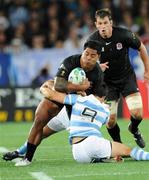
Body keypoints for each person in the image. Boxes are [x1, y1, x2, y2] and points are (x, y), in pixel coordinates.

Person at [3, 40, 105, 166]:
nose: (88, 58)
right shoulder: (71, 61)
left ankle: (102, 153)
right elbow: (58, 84)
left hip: (76, 112)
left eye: (92, 55)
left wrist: (86, 98)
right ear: (82, 52)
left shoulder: (98, 74)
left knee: (80, 152)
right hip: (61, 101)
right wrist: (79, 87)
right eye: (86, 54)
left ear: (98, 57)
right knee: (40, 121)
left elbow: (98, 99)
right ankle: (25, 157)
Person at [39, 81, 149, 163]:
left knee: (107, 149)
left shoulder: (78, 99)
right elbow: (105, 121)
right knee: (128, 151)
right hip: (93, 143)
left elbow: (50, 94)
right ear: (104, 97)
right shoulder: (105, 110)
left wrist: (44, 87)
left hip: (77, 152)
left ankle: (101, 158)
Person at [87, 8, 149, 148]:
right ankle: (119, 146)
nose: (103, 27)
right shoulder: (92, 41)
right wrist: (97, 66)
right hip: (107, 83)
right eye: (100, 23)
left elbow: (142, 48)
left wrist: (147, 71)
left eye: (105, 23)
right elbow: (86, 63)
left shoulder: (124, 35)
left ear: (111, 23)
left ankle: (133, 129)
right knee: (110, 120)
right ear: (96, 24)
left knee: (138, 114)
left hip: (126, 78)